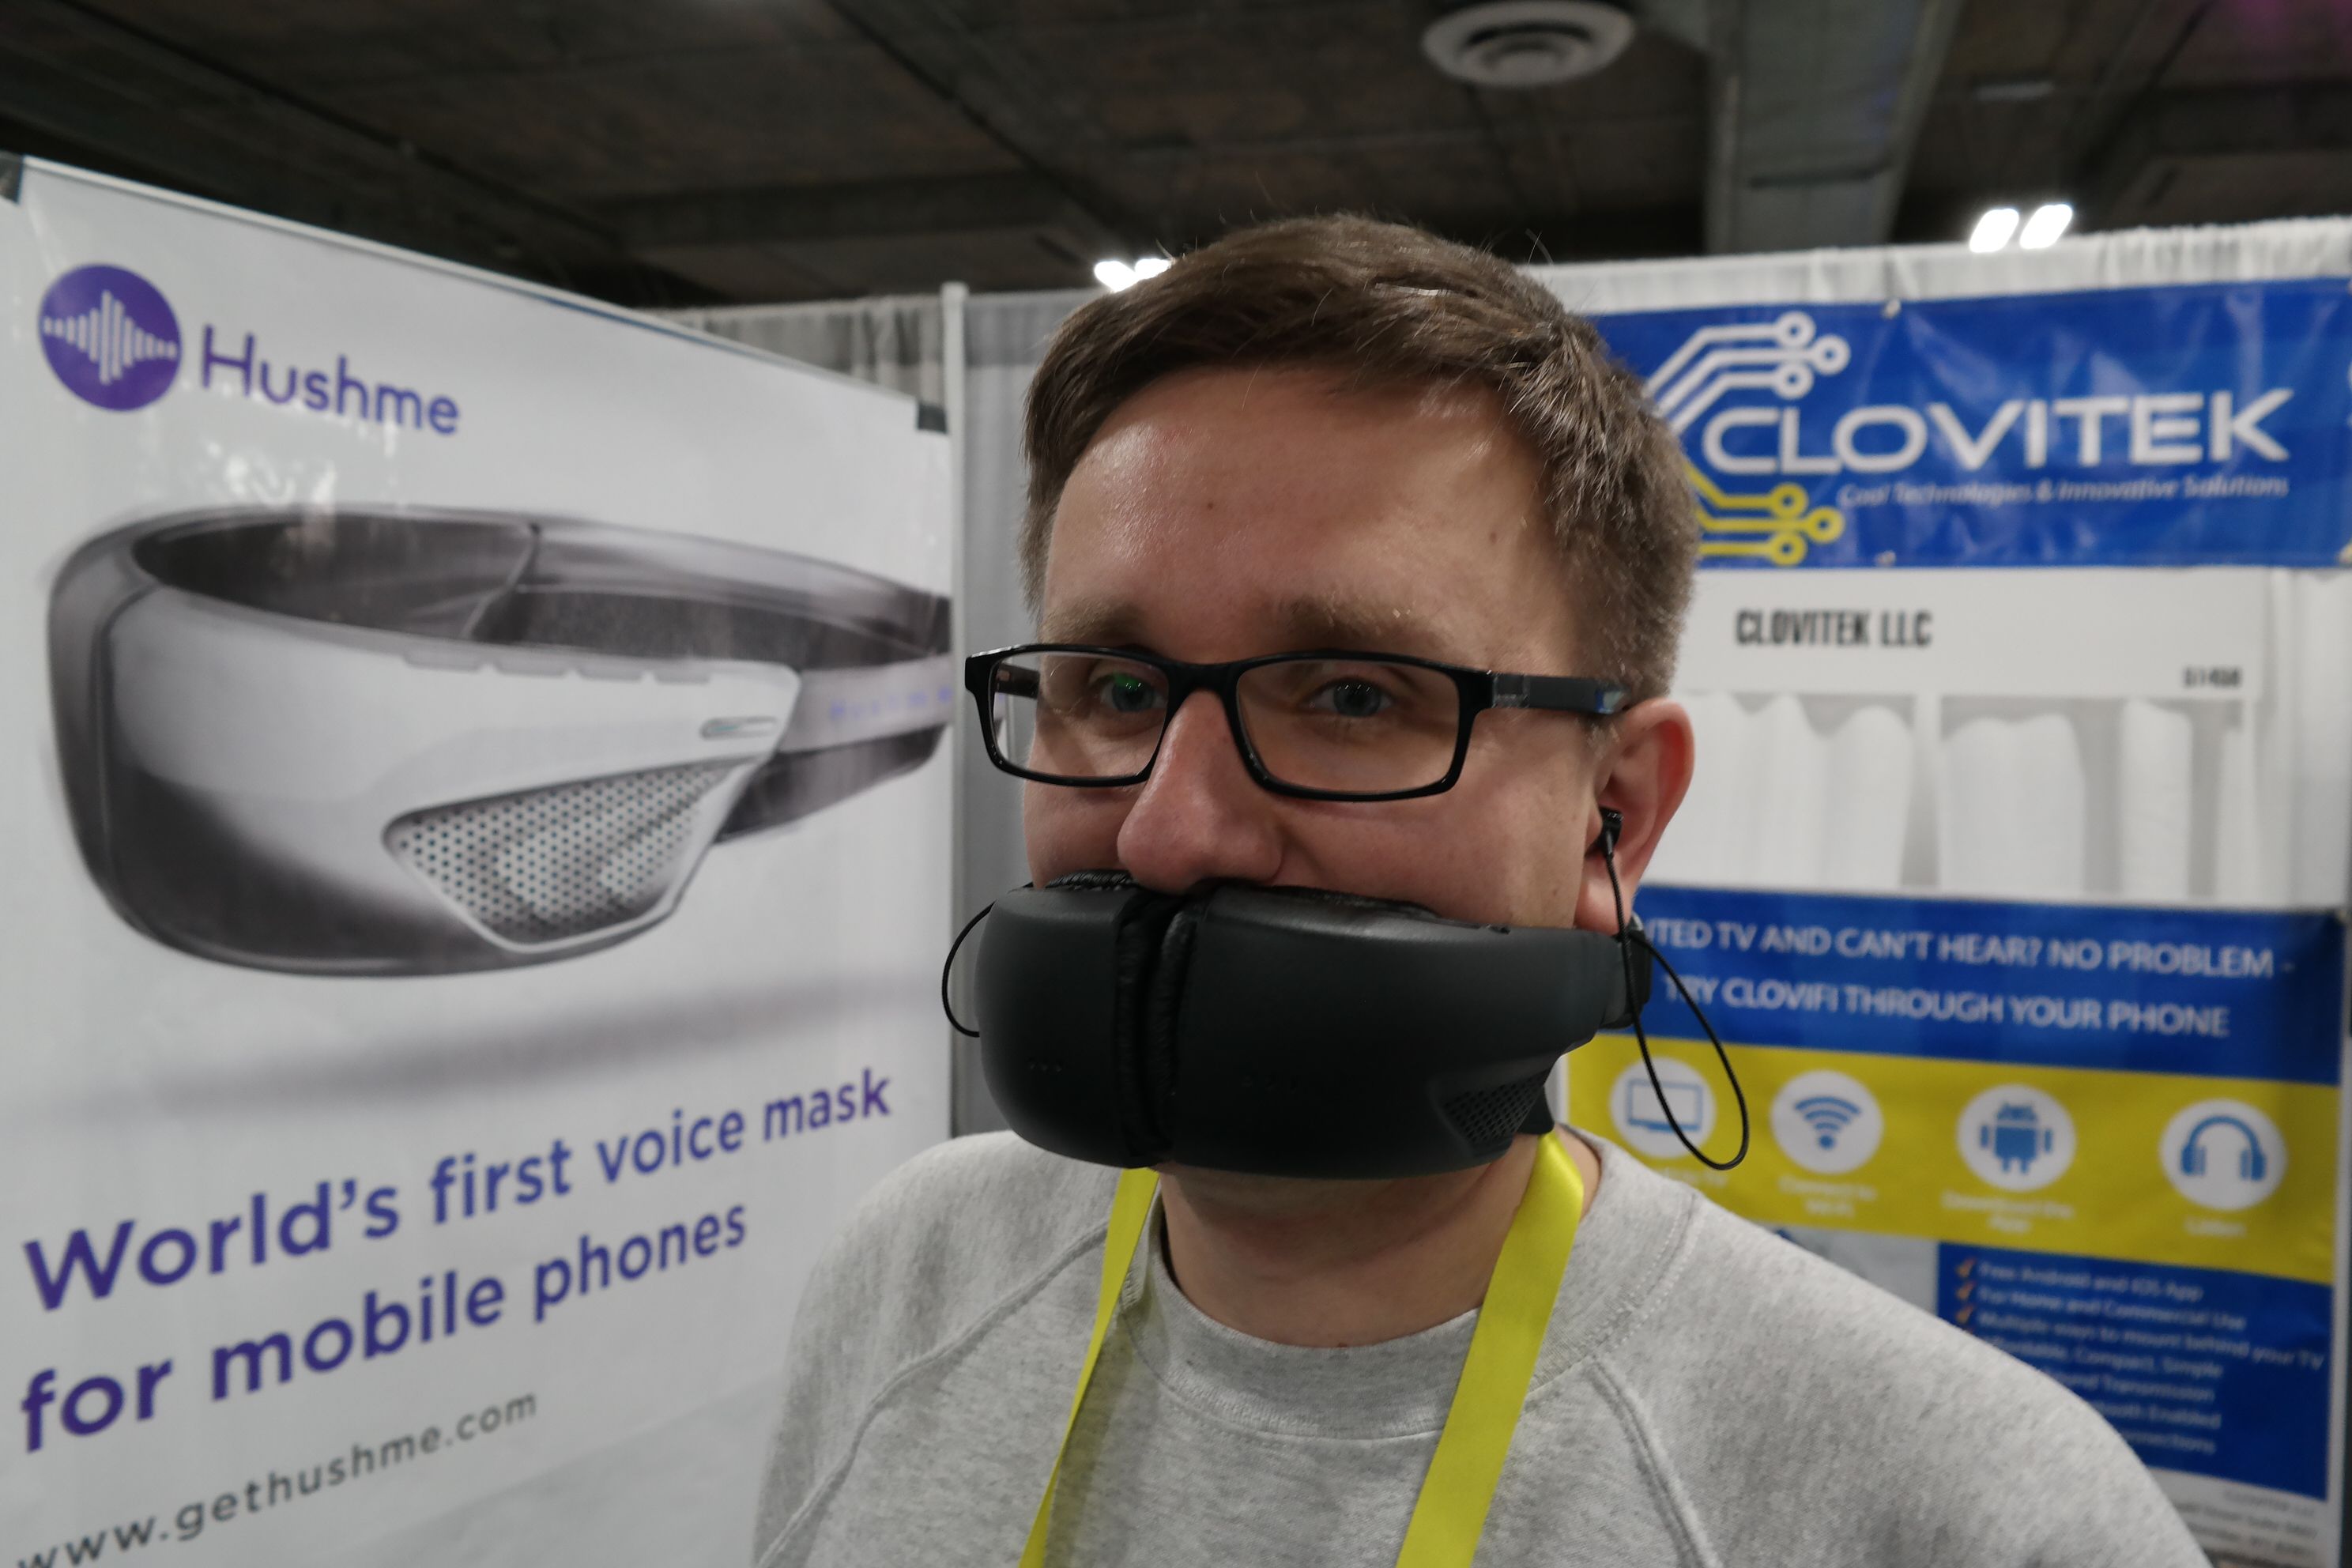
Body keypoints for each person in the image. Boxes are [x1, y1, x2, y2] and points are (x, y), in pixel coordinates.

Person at [749, 216, 2205, 1567]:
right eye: (1117, 690)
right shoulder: (913, 1266)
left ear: (1613, 816)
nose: (1169, 832)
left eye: (1352, 695)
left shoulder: (1973, 1512)